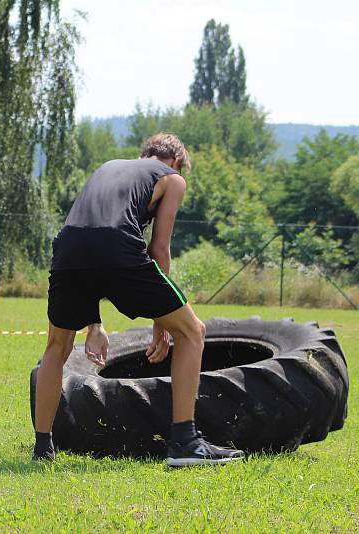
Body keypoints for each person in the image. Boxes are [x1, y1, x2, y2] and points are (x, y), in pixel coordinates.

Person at [32, 133, 244, 466]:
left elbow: (91, 236)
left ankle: (42, 448)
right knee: (192, 331)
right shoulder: (172, 179)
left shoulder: (109, 167)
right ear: (175, 161)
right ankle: (185, 443)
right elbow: (158, 248)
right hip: (118, 247)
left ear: (144, 155)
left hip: (68, 247)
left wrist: (94, 324)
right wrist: (162, 323)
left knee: (56, 348)